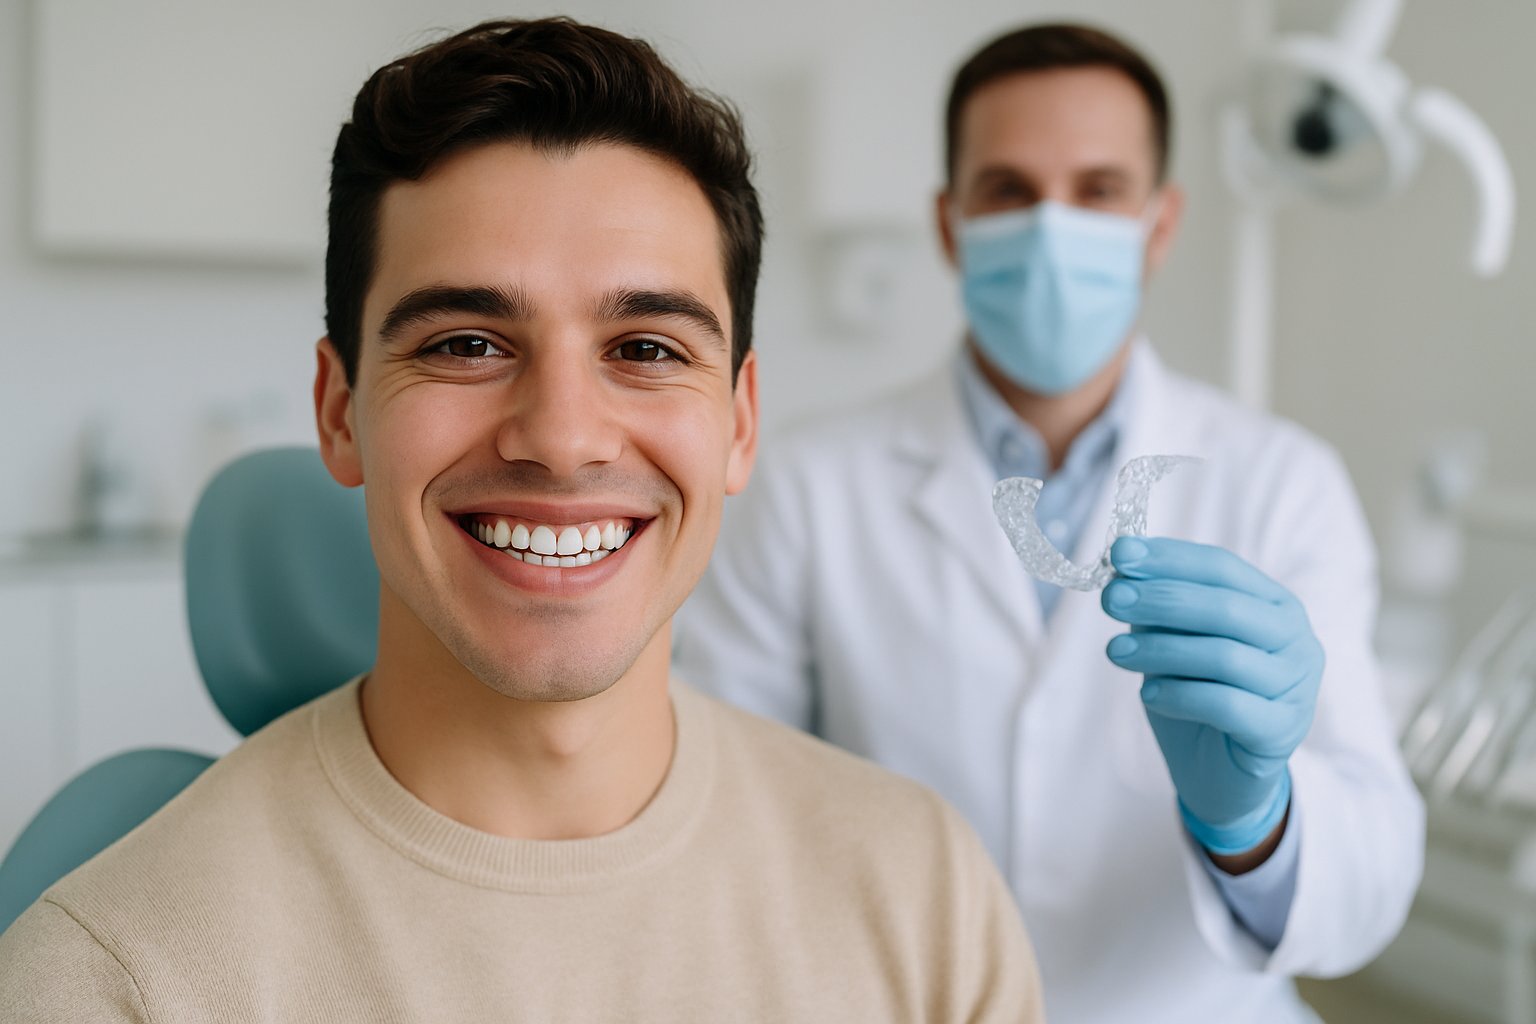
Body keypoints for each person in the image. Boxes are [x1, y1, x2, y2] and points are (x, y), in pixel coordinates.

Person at [0, 19, 1043, 1021]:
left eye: (645, 348)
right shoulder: (114, 976)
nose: (562, 436)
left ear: (739, 421)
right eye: (464, 343)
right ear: (338, 411)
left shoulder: (926, 900)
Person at [676, 22, 1424, 1024]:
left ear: (1160, 226)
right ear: (948, 224)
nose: (1052, 229)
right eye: (1010, 191)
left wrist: (1255, 818)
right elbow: (722, 799)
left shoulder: (1284, 481)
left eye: (1100, 191)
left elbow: (1374, 869)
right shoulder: (808, 483)